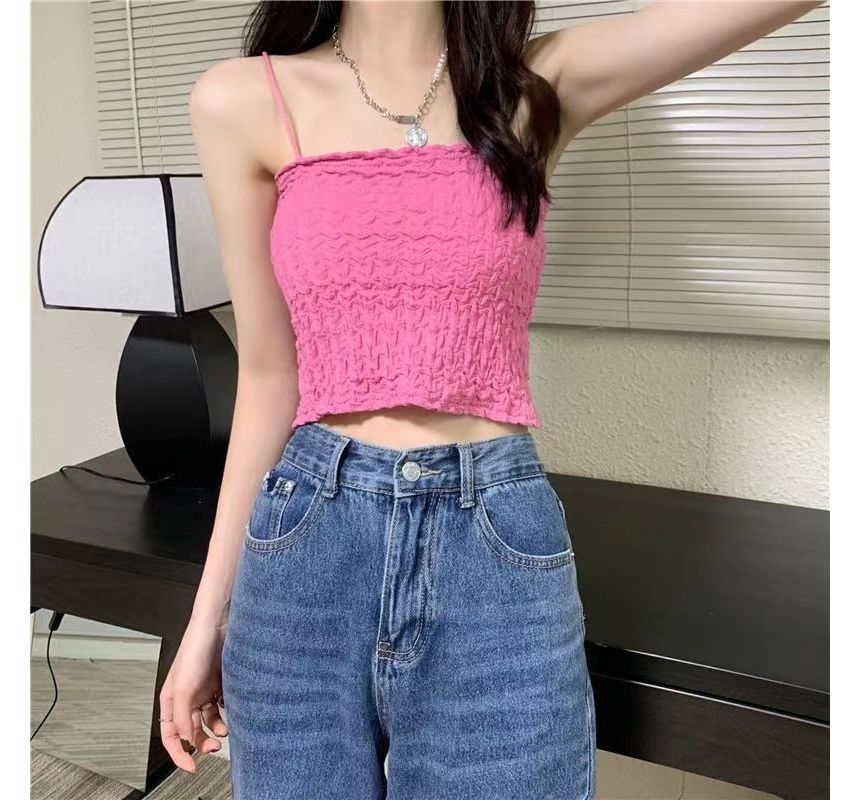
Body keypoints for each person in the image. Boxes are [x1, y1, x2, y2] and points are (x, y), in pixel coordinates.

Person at [159, 2, 821, 797]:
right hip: (306, 547)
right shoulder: (242, 99)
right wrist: (207, 621)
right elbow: (271, 375)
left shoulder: (535, 86)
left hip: (494, 550)